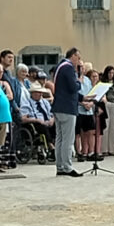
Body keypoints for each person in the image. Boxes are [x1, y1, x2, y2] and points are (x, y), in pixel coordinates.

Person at [50, 47, 84, 175]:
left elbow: (64, 89)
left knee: (60, 138)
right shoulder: (68, 67)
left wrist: (83, 98)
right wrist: (80, 80)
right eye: (78, 58)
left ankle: (60, 166)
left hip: (59, 106)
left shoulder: (60, 66)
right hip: (67, 108)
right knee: (68, 139)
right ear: (73, 56)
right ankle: (67, 166)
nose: (79, 61)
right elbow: (73, 87)